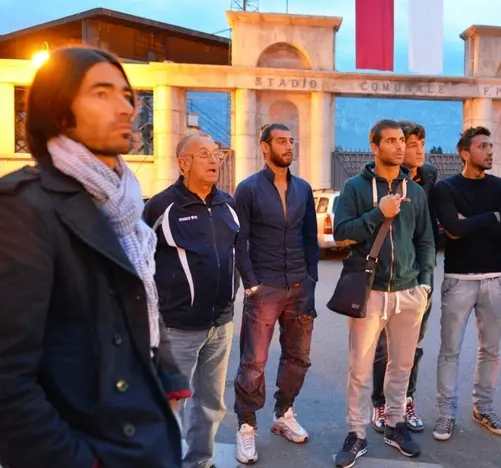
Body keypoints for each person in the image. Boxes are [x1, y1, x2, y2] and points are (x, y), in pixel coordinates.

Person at [0, 46, 189, 468]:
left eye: (127, 95)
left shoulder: (125, 205)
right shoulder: (24, 207)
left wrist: (169, 383)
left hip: (146, 436)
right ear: (60, 111)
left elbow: (141, 305)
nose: (125, 107)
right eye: (101, 93)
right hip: (94, 445)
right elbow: (8, 378)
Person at [333, 119, 436, 467]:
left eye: (401, 140)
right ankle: (356, 433)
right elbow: (341, 232)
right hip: (370, 290)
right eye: (390, 141)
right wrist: (379, 213)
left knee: (402, 365)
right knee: (360, 367)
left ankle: (395, 424)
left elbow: (425, 240)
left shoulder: (415, 192)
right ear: (374, 147)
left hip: (409, 291)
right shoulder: (354, 187)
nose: (399, 146)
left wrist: (425, 283)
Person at [143, 132, 238, 468]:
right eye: (204, 154)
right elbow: (139, 261)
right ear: (184, 163)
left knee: (212, 404)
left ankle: (200, 461)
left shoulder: (228, 205)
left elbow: (238, 252)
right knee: (169, 404)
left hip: (221, 324)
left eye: (216, 154)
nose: (214, 160)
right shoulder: (161, 207)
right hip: (177, 327)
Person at [232, 123, 319, 464]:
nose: (288, 146)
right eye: (281, 141)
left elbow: (310, 237)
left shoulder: (303, 188)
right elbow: (240, 240)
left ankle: (283, 414)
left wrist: (311, 277)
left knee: (298, 357)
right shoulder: (248, 189)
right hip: (264, 287)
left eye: (291, 140)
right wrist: (251, 283)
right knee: (253, 362)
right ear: (265, 147)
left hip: (299, 285)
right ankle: (246, 425)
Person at [430, 126, 501, 442]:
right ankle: (446, 414)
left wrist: (469, 223)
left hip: (495, 278)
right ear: (464, 153)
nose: (490, 151)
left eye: (491, 146)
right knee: (449, 351)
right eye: (483, 146)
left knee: (490, 351)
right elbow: (452, 229)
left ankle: (484, 408)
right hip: (459, 280)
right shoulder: (445, 188)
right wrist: (491, 217)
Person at [370, 120, 439, 433]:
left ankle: (405, 401)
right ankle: (380, 403)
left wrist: (425, 282)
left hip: (417, 281)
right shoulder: (381, 184)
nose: (417, 150)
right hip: (385, 281)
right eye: (412, 145)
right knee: (384, 348)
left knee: (413, 348)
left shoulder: (429, 179)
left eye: (420, 144)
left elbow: (427, 235)